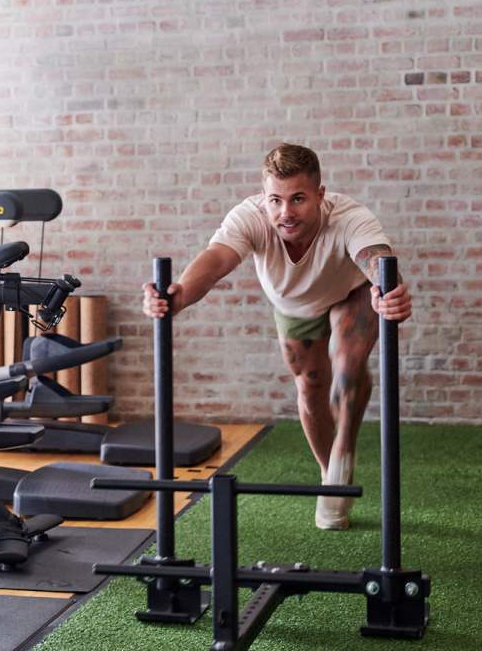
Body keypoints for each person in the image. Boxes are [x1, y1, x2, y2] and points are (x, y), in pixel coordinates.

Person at [141, 143, 412, 530]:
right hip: (295, 306)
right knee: (310, 387)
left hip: (352, 293)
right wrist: (178, 295)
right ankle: (328, 474)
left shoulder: (351, 216)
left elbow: (376, 258)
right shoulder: (251, 217)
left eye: (299, 199)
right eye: (276, 200)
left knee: (348, 363)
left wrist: (391, 291)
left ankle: (343, 449)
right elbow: (216, 259)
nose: (286, 212)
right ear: (265, 197)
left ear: (320, 195)